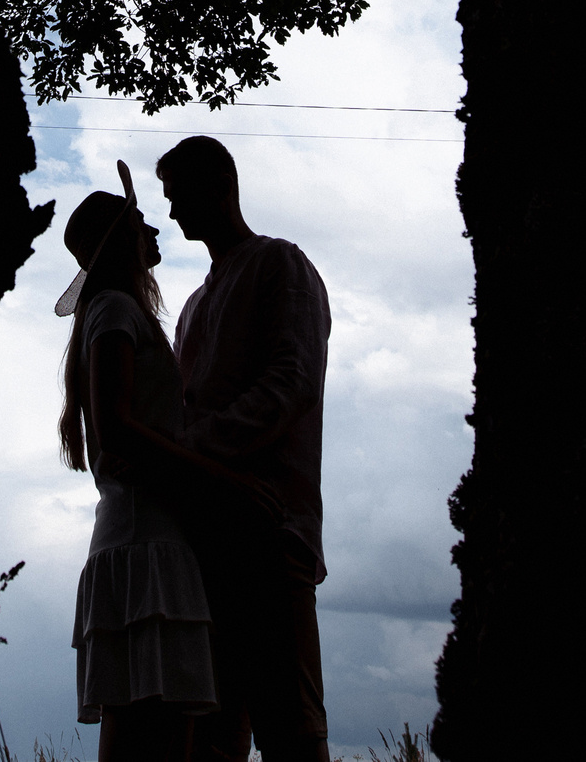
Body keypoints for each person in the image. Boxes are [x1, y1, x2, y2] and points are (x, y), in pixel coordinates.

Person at [157, 135, 334, 762]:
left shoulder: (279, 265)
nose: (172, 215)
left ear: (217, 187)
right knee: (212, 730)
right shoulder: (194, 303)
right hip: (205, 544)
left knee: (290, 725)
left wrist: (191, 450)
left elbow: (290, 382)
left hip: (270, 528)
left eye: (178, 197)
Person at [58, 182, 239, 762]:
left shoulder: (117, 310)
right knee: (155, 735)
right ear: (122, 242)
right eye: (141, 223)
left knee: (151, 733)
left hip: (142, 538)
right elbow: (115, 433)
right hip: (146, 546)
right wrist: (217, 478)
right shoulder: (114, 309)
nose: (155, 230)